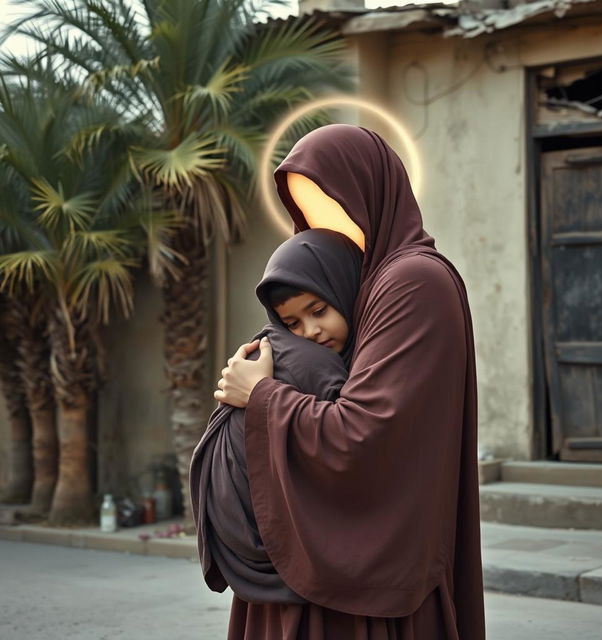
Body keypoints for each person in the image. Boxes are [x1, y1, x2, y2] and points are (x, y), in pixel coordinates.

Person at [215, 124, 485, 639]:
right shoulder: (360, 287)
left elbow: (362, 433)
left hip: (372, 568)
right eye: (307, 211)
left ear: (374, 194)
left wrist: (261, 395)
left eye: (334, 203)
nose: (323, 225)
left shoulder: (412, 281)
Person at [189, 228, 363, 608]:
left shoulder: (285, 353)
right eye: (293, 323)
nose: (311, 332)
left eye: (319, 311)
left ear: (346, 289)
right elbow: (352, 446)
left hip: (237, 542)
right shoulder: (315, 363)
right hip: (264, 536)